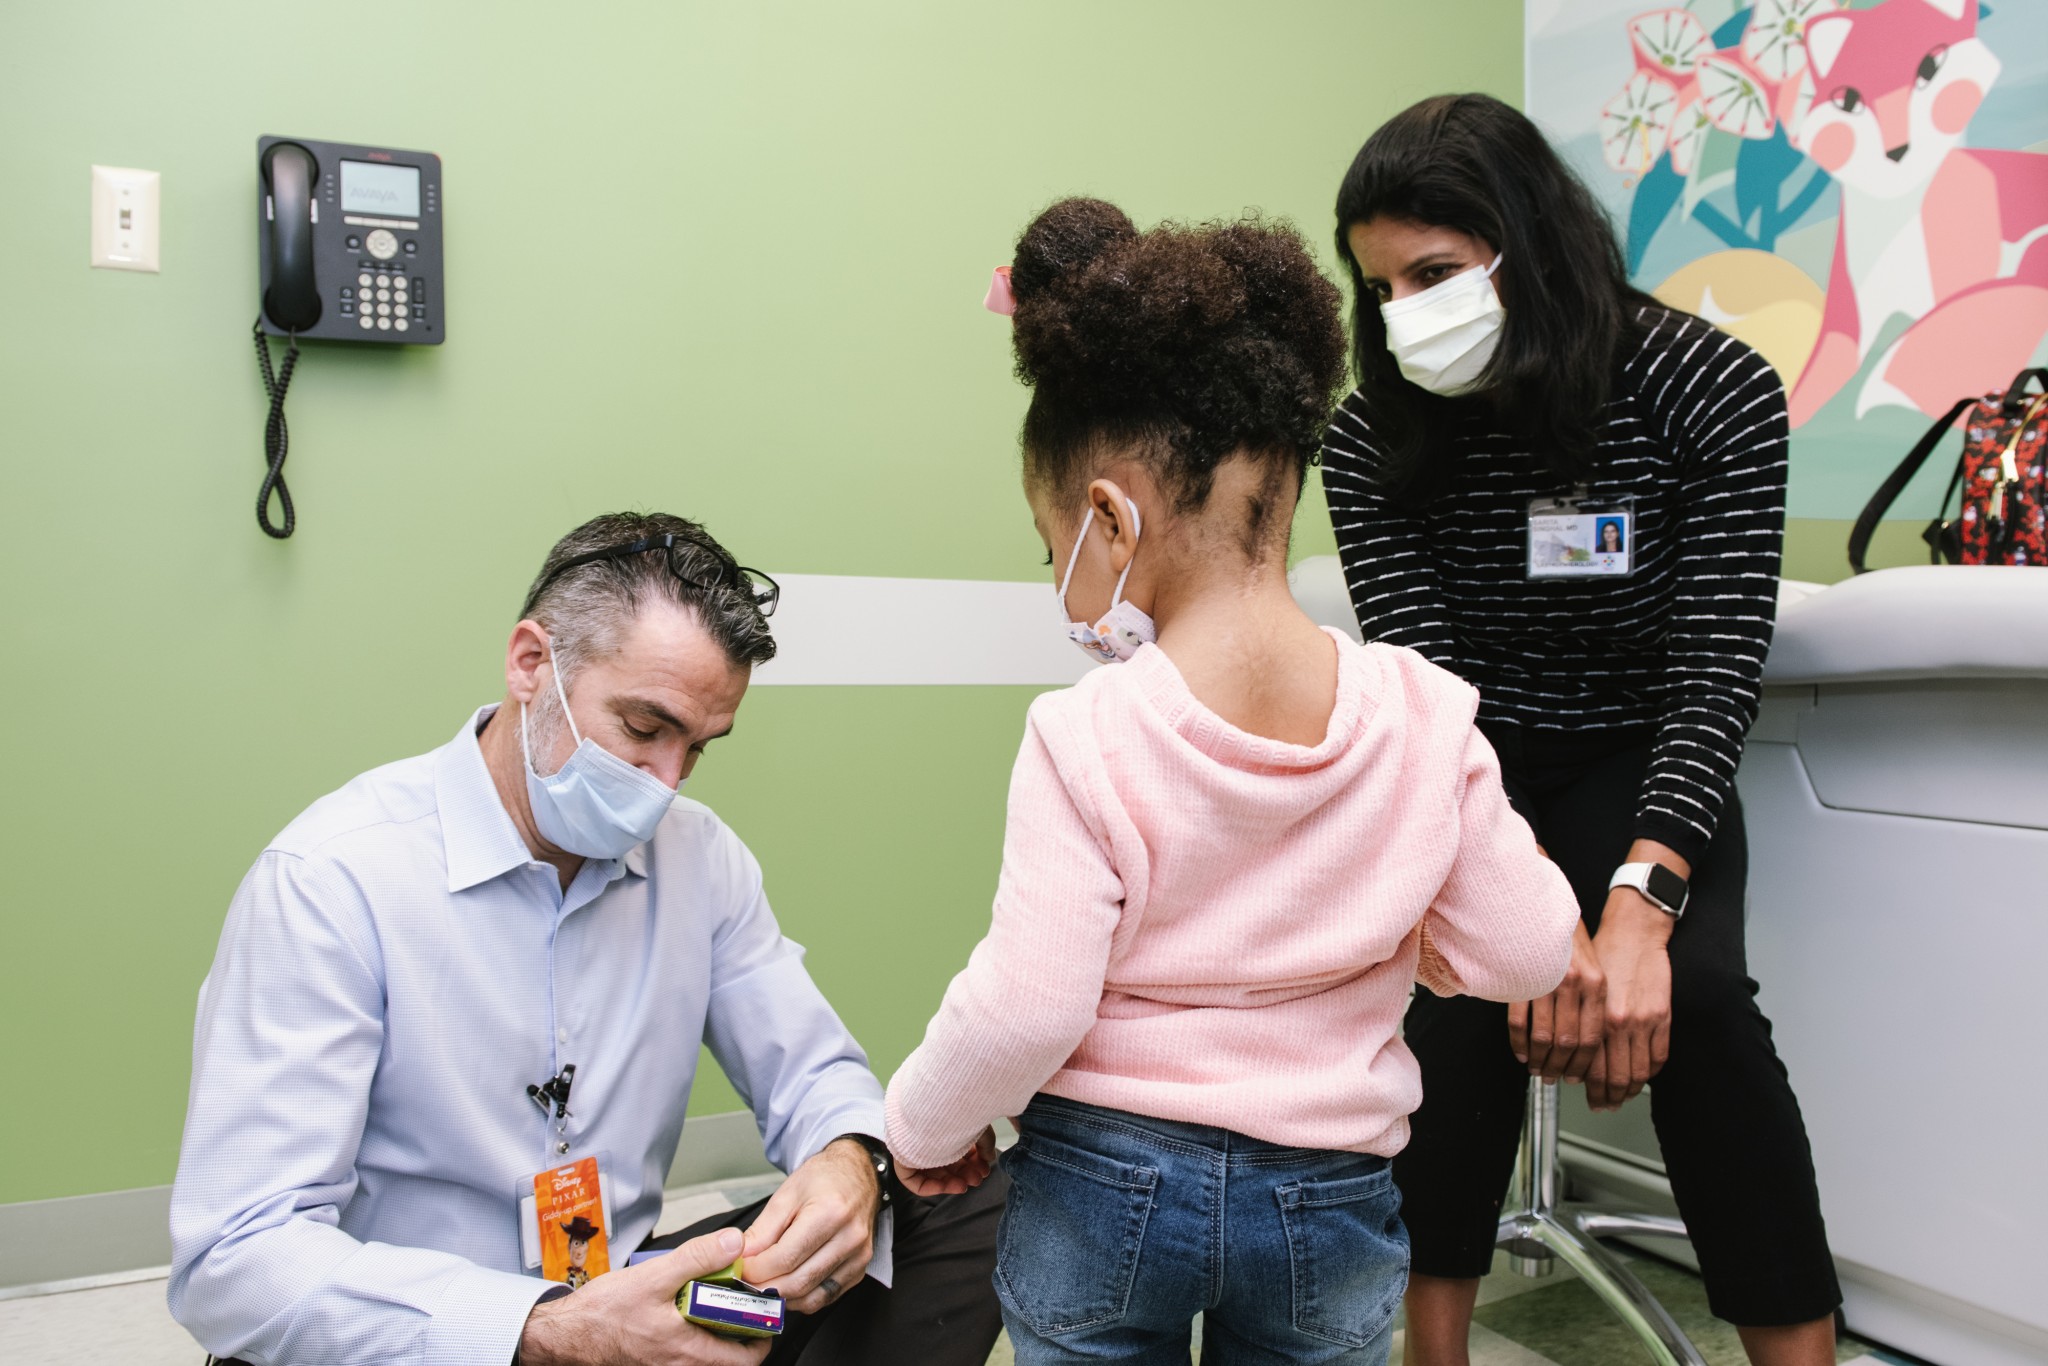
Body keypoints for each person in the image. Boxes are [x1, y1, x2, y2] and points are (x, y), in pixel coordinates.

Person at [882, 198, 1581, 1366]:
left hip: (1101, 1186)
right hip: (1328, 1194)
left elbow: (1024, 1005)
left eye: (1048, 546)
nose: (1054, 578)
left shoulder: (1085, 732)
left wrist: (918, 1123)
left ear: (1107, 517)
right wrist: (1411, 936)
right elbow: (1528, 948)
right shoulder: (1422, 712)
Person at [167, 512, 1006, 1366]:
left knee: (949, 1194)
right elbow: (235, 1260)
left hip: (617, 1293)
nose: (666, 783)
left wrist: (847, 1160)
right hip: (431, 1335)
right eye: (644, 729)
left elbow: (811, 1067)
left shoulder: (699, 856)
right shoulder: (331, 880)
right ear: (532, 664)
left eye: (698, 748)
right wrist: (545, 1330)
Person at [1321, 94, 1841, 1366]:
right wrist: (1525, 924)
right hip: (1468, 766)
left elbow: (1713, 667)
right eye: (1379, 285)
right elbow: (1428, 689)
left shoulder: (1706, 387)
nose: (1404, 313)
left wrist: (1635, 905)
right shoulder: (1369, 435)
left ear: (1527, 242)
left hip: (1642, 754)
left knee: (1700, 1002)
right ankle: (1425, 1348)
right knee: (1441, 1007)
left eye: (1432, 273)